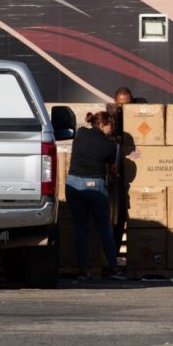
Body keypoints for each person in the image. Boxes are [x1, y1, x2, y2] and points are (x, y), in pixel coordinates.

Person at [66, 110, 125, 281]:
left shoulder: (81, 133)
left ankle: (83, 271)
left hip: (73, 184)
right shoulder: (109, 146)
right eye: (111, 125)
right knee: (104, 229)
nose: (113, 128)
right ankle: (114, 269)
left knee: (80, 228)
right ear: (101, 124)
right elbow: (113, 171)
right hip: (95, 187)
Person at [109, 87, 134, 249]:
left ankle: (115, 253)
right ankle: (112, 253)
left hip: (131, 171)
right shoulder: (110, 119)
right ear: (115, 102)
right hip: (115, 175)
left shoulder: (137, 113)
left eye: (127, 104)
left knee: (124, 215)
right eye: (120, 105)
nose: (123, 108)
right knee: (114, 216)